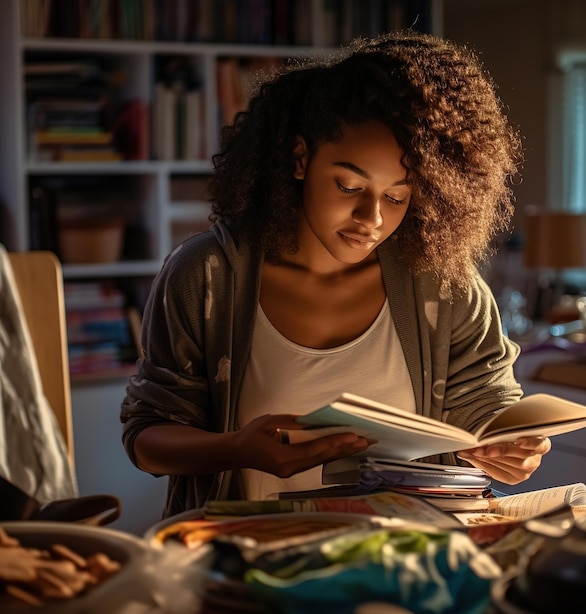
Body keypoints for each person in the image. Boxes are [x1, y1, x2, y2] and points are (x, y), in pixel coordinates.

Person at [120, 29, 551, 518]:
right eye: (349, 186)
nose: (371, 218)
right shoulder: (206, 276)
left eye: (396, 196)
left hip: (411, 562)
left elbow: (489, 405)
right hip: (249, 561)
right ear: (301, 159)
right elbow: (147, 436)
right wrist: (238, 448)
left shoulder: (445, 286)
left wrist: (508, 448)